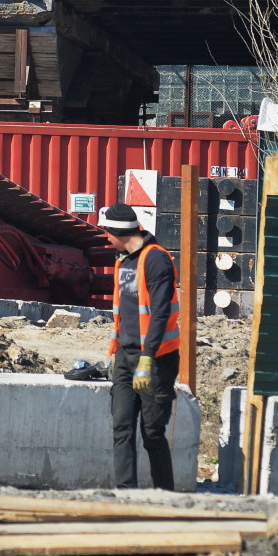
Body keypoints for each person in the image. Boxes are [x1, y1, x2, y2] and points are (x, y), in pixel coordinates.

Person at [99, 202, 181, 491]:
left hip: (156, 359)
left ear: (118, 232)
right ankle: (125, 495)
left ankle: (166, 498)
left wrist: (147, 360)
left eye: (107, 233)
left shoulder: (156, 259)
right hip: (125, 355)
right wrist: (116, 351)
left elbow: (159, 313)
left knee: (152, 433)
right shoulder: (123, 260)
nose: (106, 238)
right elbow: (123, 311)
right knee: (121, 425)